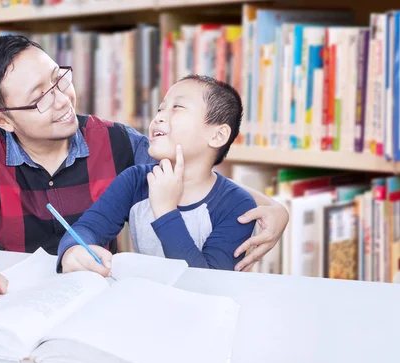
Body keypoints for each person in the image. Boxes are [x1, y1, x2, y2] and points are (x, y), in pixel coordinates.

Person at [0, 35, 289, 308]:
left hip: (97, 299)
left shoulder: (117, 142)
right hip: (12, 298)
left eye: (59, 79)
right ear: (4, 120)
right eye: (39, 99)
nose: (62, 101)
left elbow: (193, 173)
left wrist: (273, 206)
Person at [57, 75, 256, 274]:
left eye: (177, 108)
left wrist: (165, 210)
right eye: (161, 108)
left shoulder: (237, 205)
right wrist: (73, 250)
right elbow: (88, 228)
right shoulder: (135, 180)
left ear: (217, 136)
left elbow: (207, 282)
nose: (158, 117)